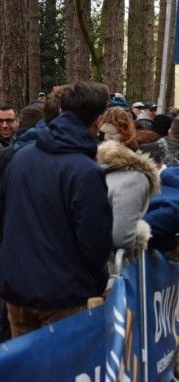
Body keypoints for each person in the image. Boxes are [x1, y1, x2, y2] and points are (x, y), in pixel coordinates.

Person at [0, 81, 113, 338]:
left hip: (18, 290)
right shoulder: (86, 171)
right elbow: (94, 242)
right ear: (98, 120)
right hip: (63, 297)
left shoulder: (20, 158)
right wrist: (96, 284)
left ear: (61, 111)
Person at [97, 107, 160, 250]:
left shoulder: (87, 157)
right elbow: (122, 238)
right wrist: (141, 234)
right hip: (108, 255)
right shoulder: (135, 175)